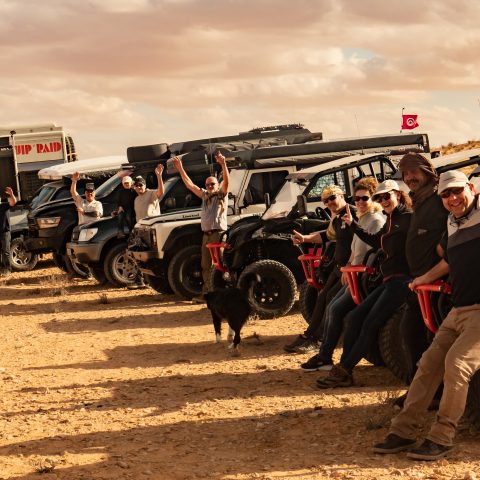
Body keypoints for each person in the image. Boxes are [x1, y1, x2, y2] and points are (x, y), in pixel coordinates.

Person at [373, 170, 480, 461]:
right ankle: (403, 432)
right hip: (458, 309)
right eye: (446, 194)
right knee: (427, 364)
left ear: (471, 188)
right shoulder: (453, 222)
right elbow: (447, 259)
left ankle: (442, 437)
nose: (452, 198)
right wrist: (423, 277)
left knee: (456, 365)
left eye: (457, 191)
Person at [316, 179, 413, 388]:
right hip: (390, 279)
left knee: (370, 322)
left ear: (398, 194)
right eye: (380, 197)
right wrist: (353, 225)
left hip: (403, 280)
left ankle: (344, 370)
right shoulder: (391, 219)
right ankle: (343, 368)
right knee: (355, 317)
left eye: (387, 196)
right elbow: (375, 240)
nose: (384, 200)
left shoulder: (408, 218)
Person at [300, 177, 385, 371]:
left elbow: (375, 250)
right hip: (351, 274)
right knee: (330, 305)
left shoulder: (376, 220)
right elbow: (354, 250)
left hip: (366, 278)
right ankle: (324, 353)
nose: (360, 202)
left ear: (373, 198)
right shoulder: (358, 218)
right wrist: (347, 267)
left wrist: (351, 269)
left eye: (365, 198)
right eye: (357, 199)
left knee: (337, 310)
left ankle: (329, 356)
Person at [394, 152, 449, 407]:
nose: (409, 178)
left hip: (440, 283)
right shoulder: (420, 201)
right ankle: (423, 393)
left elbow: (451, 234)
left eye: (413, 172)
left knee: (427, 338)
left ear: (426, 172)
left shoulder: (440, 200)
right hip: (420, 284)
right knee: (413, 333)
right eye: (405, 174)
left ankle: (430, 395)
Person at [283, 185, 357, 353]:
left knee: (331, 299)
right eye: (326, 200)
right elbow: (326, 235)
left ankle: (320, 339)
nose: (330, 202)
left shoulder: (352, 213)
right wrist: (305, 239)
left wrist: (352, 265)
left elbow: (363, 238)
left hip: (351, 269)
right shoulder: (337, 218)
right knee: (322, 296)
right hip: (339, 267)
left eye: (332, 197)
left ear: (342, 195)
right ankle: (308, 335)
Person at [172, 152, 229, 302]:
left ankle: (222, 292)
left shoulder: (221, 195)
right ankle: (207, 293)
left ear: (217, 185)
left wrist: (223, 164)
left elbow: (227, 184)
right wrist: (180, 168)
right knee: (205, 265)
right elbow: (189, 185)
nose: (210, 186)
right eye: (208, 184)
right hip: (206, 235)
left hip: (218, 234)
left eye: (213, 184)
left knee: (219, 265)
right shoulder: (204, 196)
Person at [129, 164, 164, 289]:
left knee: (151, 256)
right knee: (138, 254)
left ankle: (153, 281)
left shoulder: (151, 194)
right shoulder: (136, 199)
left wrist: (159, 176)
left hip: (152, 230)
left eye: (141, 185)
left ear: (145, 185)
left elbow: (161, 192)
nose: (139, 187)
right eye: (136, 185)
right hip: (140, 230)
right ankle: (140, 281)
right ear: (134, 187)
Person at [0, 186, 17, 276]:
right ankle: (1, 269)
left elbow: (14, 202)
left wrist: (11, 194)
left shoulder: (4, 205)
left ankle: (7, 269)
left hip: (5, 232)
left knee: (6, 251)